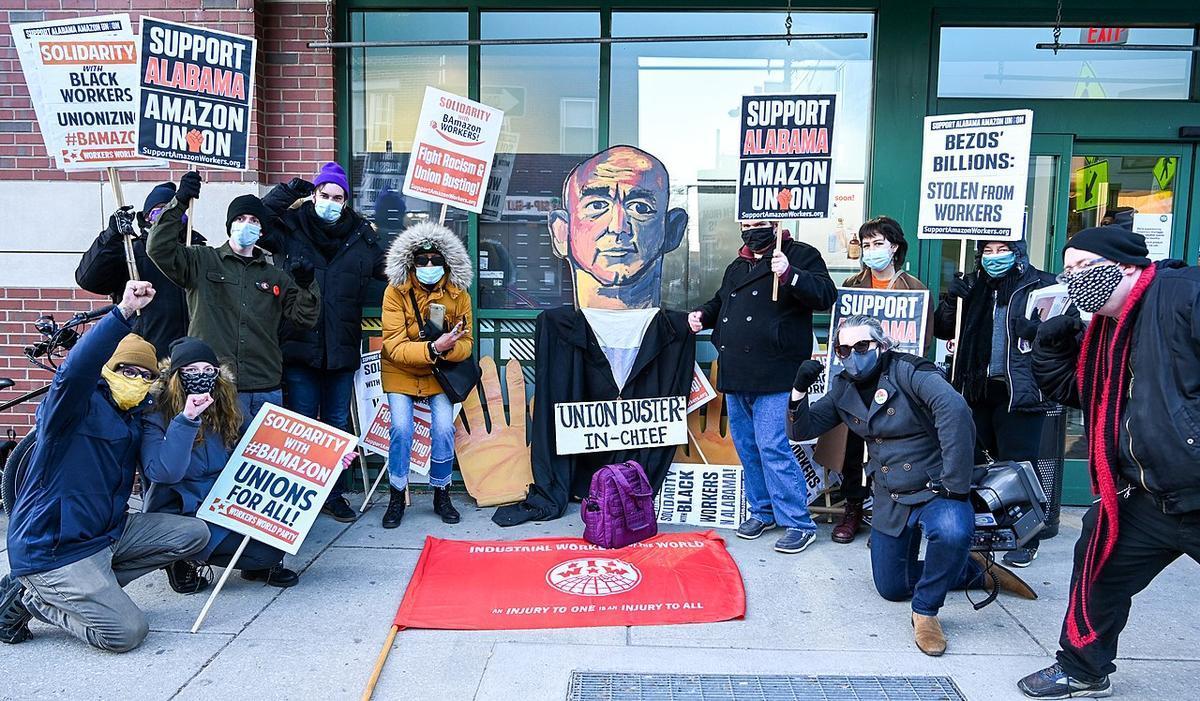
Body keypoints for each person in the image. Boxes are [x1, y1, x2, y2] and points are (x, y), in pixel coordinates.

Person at [1018, 226, 1200, 699]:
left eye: (1083, 265)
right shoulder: (1105, 329)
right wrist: (1053, 345)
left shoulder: (1181, 294)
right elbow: (1083, 395)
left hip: (1195, 487)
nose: (1074, 277)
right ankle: (1082, 667)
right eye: (1068, 268)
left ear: (1125, 266)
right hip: (1144, 495)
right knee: (1098, 570)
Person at [788, 315, 1036, 656]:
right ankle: (974, 571)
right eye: (844, 349)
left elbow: (954, 412)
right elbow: (802, 430)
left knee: (951, 531)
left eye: (862, 346)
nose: (852, 355)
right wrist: (798, 390)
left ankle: (926, 610)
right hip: (892, 494)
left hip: (937, 486)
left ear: (882, 346)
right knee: (891, 587)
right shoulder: (843, 387)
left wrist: (955, 485)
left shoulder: (910, 371)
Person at [0, 281, 211, 651]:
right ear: (109, 369)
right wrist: (123, 313)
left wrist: (187, 419)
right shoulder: (72, 407)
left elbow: (163, 472)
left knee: (193, 534)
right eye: (128, 371)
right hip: (54, 547)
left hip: (106, 535)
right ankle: (35, 598)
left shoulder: (137, 416)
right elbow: (73, 372)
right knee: (126, 633)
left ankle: (91, 590)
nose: (138, 380)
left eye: (146, 376)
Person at [689, 219, 837, 554]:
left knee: (772, 446)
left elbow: (826, 296)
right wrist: (702, 315)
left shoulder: (801, 254)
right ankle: (763, 511)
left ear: (774, 224)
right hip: (736, 372)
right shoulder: (738, 264)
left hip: (776, 371)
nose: (751, 229)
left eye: (759, 223)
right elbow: (721, 301)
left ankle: (799, 522)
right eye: (747, 223)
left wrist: (790, 275)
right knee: (747, 446)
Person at [260, 163, 388, 524]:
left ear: (347, 201)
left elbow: (390, 267)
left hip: (341, 348)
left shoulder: (361, 237)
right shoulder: (290, 227)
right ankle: (300, 496)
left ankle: (333, 495)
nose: (330, 202)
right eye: (325, 195)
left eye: (338, 197)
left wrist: (424, 250)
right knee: (301, 426)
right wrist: (290, 189)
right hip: (299, 345)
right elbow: (258, 215)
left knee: (337, 426)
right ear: (314, 195)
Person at [147, 171, 321, 423]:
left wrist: (306, 284)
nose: (246, 224)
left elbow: (305, 318)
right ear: (230, 225)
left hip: (263, 388)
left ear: (261, 230)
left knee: (260, 462)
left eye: (253, 220)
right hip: (213, 386)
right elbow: (158, 248)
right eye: (240, 218)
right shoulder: (201, 260)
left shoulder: (276, 277)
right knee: (215, 460)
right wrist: (180, 201)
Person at [934, 238, 1064, 567]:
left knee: (1020, 466)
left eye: (1002, 250)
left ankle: (1027, 536)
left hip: (1019, 390)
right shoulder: (973, 286)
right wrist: (952, 299)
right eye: (987, 252)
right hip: (976, 388)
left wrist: (1039, 330)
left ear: (1018, 251)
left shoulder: (1042, 284)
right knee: (976, 464)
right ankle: (985, 532)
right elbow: (942, 328)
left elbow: (1066, 333)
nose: (994, 258)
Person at [142, 337, 302, 590]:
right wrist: (187, 418)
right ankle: (179, 559)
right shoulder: (156, 412)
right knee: (199, 538)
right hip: (181, 509)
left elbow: (264, 445)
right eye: (191, 371)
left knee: (274, 549)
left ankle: (252, 566)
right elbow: (166, 473)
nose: (201, 376)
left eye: (208, 370)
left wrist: (327, 460)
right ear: (176, 376)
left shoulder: (228, 404)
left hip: (223, 501)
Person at [821, 215, 931, 544]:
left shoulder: (916, 288)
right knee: (851, 446)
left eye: (878, 243)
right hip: (857, 382)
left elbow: (923, 338)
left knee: (893, 448)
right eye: (866, 245)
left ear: (894, 247)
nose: (872, 250)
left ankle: (889, 517)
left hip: (895, 383)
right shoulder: (852, 287)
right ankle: (853, 507)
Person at [378, 221, 473, 528]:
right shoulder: (395, 292)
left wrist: (447, 349)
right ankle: (396, 492)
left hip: (439, 375)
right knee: (402, 429)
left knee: (444, 430)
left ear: (446, 263)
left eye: (435, 261)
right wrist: (434, 347)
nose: (429, 266)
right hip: (401, 371)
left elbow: (468, 345)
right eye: (422, 261)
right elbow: (393, 346)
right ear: (411, 262)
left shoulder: (458, 295)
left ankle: (441, 492)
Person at [75, 181, 205, 358]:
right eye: (159, 210)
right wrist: (112, 235)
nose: (166, 216)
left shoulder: (196, 252)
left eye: (172, 209)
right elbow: (88, 279)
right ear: (146, 217)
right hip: (143, 359)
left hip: (189, 360)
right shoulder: (131, 253)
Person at [549, 145, 688, 309]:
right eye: (597, 205)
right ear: (562, 231)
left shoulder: (681, 329)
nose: (617, 227)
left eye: (640, 208)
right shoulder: (553, 327)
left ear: (672, 231)